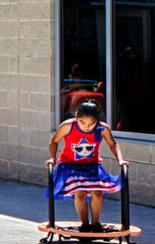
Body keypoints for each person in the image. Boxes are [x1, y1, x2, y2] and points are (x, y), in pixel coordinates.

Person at [47, 98, 127, 232]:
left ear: (97, 121)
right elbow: (54, 141)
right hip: (71, 164)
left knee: (97, 192)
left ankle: (95, 224)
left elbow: (113, 144)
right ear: (76, 116)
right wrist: (52, 158)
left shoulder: (102, 128)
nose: (87, 127)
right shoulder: (68, 126)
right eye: (82, 122)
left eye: (92, 124)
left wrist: (121, 159)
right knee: (80, 191)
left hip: (91, 165)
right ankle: (84, 224)